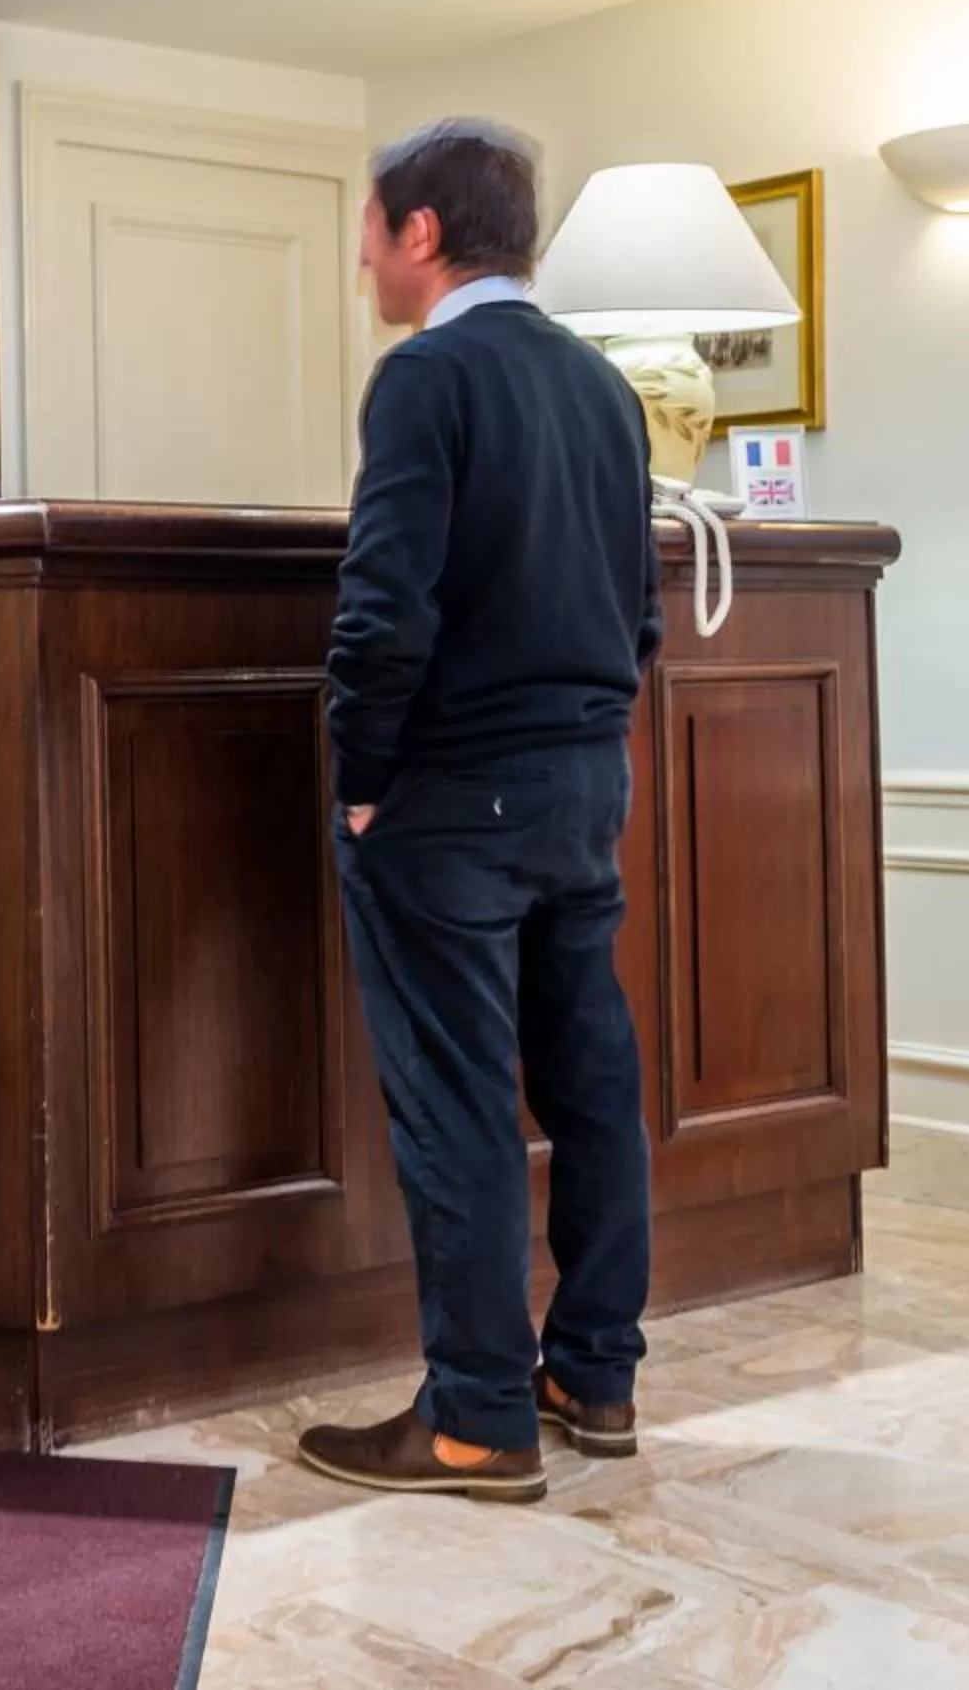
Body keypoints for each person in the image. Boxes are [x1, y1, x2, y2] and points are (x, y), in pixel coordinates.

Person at [296, 119, 663, 1506]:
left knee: (458, 1103)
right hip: (582, 782)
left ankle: (475, 1418)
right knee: (591, 1082)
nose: (364, 257)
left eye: (372, 230)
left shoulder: (426, 374)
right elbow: (638, 610)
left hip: (452, 793)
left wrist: (364, 779)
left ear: (424, 234)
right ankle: (597, 1373)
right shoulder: (603, 386)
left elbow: (382, 608)